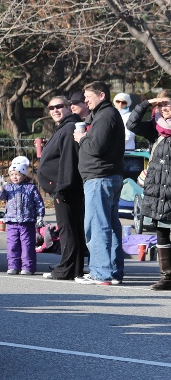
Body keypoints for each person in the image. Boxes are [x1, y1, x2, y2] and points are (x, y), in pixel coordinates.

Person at [74, 81, 125, 285]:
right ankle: (113, 272)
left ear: (101, 95)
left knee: (97, 226)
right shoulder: (104, 115)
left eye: (88, 96)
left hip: (99, 178)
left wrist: (82, 138)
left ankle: (100, 273)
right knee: (110, 226)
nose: (85, 101)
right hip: (108, 177)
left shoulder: (106, 116)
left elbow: (96, 147)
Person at [126, 90, 171, 290]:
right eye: (160, 105)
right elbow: (132, 124)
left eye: (167, 103)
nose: (164, 108)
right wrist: (146, 103)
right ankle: (167, 278)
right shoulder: (155, 128)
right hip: (157, 192)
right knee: (162, 233)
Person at [37, 96, 86, 281]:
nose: (55, 110)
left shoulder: (69, 128)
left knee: (68, 229)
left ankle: (66, 269)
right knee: (72, 228)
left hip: (66, 189)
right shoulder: (64, 128)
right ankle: (74, 268)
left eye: (59, 106)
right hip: (65, 188)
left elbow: (69, 161)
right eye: (51, 108)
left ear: (68, 107)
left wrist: (62, 188)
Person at [0, 156, 46, 275]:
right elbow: (1, 197)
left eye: (17, 174)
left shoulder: (31, 188)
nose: (14, 177)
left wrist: (40, 216)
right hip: (12, 221)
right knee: (12, 245)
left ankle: (28, 267)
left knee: (27, 246)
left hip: (27, 221)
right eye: (12, 174)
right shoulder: (8, 187)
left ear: (24, 175)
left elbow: (39, 203)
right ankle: (13, 266)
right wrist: (1, 187)